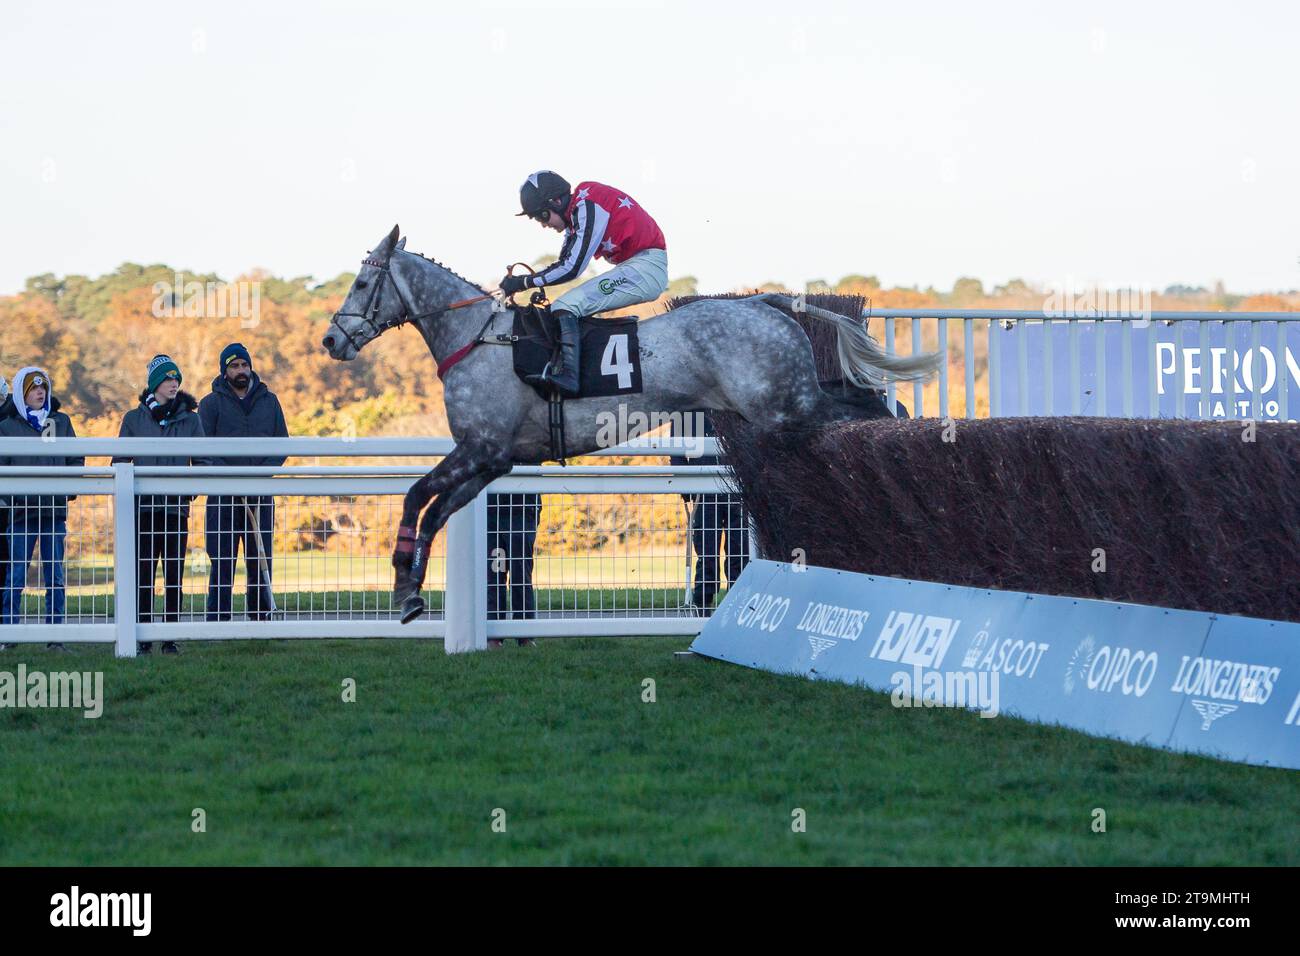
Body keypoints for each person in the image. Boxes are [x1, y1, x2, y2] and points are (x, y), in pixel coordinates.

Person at [499, 170, 668, 397]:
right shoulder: (576, 212)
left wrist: (525, 282)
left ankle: (569, 377)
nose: (542, 224)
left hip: (644, 268)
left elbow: (572, 268)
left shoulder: (587, 205)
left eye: (542, 216)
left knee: (565, 306)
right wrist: (524, 282)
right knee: (565, 305)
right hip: (638, 266)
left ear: (556, 202)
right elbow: (563, 262)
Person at [114, 355, 208, 653]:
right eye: (168, 379)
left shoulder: (191, 419)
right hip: (143, 511)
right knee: (142, 574)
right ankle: (142, 638)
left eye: (176, 379)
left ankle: (170, 638)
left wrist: (188, 491)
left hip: (175, 510)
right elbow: (118, 461)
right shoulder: (133, 419)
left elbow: (203, 462)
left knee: (173, 575)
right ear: (155, 383)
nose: (174, 383)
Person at [199, 343, 288, 621]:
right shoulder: (210, 403)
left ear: (250, 368)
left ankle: (260, 619)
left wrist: (260, 474)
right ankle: (219, 621)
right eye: (234, 366)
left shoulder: (269, 401)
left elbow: (281, 444)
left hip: (260, 493)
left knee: (260, 559)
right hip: (223, 496)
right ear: (225, 371)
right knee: (222, 560)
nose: (240, 370)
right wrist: (230, 477)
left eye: (244, 365)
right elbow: (202, 449)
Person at [0, 368, 83, 640]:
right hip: (21, 513)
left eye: (43, 388)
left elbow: (76, 459)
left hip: (53, 512)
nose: (39, 392)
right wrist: (10, 497)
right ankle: (9, 635)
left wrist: (67, 491)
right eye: (33, 389)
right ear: (22, 396)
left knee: (55, 576)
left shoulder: (60, 421)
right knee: (16, 575)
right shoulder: (7, 426)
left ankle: (55, 635)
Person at [670, 410, 749, 615]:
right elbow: (676, 449)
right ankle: (702, 604)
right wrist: (686, 488)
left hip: (737, 486)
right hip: (702, 487)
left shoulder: (734, 399)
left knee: (739, 550)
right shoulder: (688, 407)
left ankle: (738, 604)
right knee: (706, 551)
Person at [486, 492, 542, 648]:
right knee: (494, 574)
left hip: (522, 509)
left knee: (520, 574)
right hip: (490, 510)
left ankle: (524, 635)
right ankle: (494, 635)